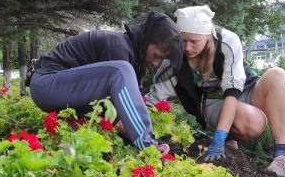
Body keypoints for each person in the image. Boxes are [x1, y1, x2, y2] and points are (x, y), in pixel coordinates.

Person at [146, 5, 285, 177]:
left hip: (244, 89)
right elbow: (154, 100)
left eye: (194, 41)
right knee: (254, 122)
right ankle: (229, 139)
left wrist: (218, 138)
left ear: (208, 35)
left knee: (278, 75)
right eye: (183, 40)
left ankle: (281, 158)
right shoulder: (174, 60)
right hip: (213, 101)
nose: (187, 48)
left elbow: (232, 89)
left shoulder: (227, 42)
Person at [29, 11, 183, 153]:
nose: (156, 64)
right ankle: (146, 143)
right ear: (147, 41)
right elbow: (118, 118)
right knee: (120, 71)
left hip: (56, 88)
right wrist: (151, 146)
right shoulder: (119, 47)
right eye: (156, 55)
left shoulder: (131, 55)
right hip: (46, 84)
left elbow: (117, 110)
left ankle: (146, 141)